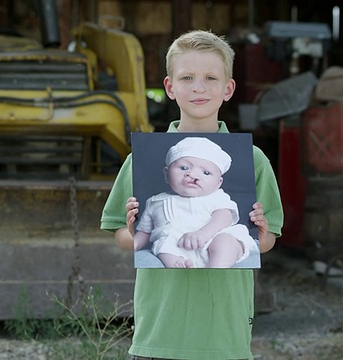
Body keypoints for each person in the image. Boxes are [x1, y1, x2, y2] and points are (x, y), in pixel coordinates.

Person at [100, 29, 283, 360]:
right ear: (170, 87)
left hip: (224, 332)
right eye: (187, 77)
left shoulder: (253, 160)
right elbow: (121, 236)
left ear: (228, 89)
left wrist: (262, 235)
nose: (199, 87)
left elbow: (265, 242)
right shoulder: (139, 160)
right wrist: (134, 232)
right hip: (159, 329)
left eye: (211, 77)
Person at [134, 136, 259, 268]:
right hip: (177, 247)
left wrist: (203, 234)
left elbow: (224, 217)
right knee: (163, 247)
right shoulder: (154, 202)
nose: (193, 175)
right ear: (166, 173)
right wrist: (134, 243)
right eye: (184, 168)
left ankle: (217, 270)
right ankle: (179, 265)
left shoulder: (217, 197)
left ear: (218, 183)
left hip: (212, 240)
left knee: (225, 242)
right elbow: (145, 232)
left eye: (206, 172)